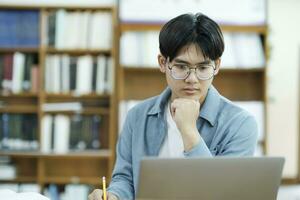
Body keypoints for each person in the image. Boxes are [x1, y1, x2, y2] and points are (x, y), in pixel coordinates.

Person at [88, 12, 258, 200]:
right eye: (181, 67)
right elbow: (125, 178)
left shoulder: (241, 124)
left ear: (216, 66)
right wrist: (114, 195)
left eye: (203, 68)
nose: (192, 79)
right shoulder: (137, 116)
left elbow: (224, 194)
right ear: (163, 63)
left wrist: (189, 131)